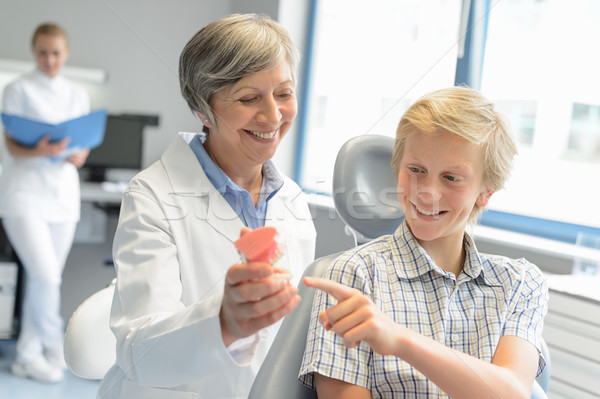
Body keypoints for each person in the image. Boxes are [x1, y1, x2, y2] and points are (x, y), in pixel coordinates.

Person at [97, 14, 316, 399]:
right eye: (249, 98)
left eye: (283, 93)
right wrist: (224, 322)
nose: (273, 115)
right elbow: (138, 353)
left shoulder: (293, 199)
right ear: (202, 110)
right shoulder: (152, 196)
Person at [300, 86, 548, 398]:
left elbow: (512, 393)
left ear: (486, 192)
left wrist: (399, 340)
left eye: (451, 178)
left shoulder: (520, 283)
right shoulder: (355, 275)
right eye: (416, 170)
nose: (427, 192)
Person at [0, 23, 90, 383]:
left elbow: (82, 142)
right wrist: (42, 150)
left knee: (45, 279)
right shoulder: (16, 89)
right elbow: (11, 144)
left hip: (63, 196)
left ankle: (26, 355)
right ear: (33, 51)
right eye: (42, 52)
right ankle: (57, 345)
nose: (49, 59)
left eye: (55, 52)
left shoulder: (77, 93)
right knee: (45, 274)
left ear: (65, 54)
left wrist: (78, 154)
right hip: (24, 195)